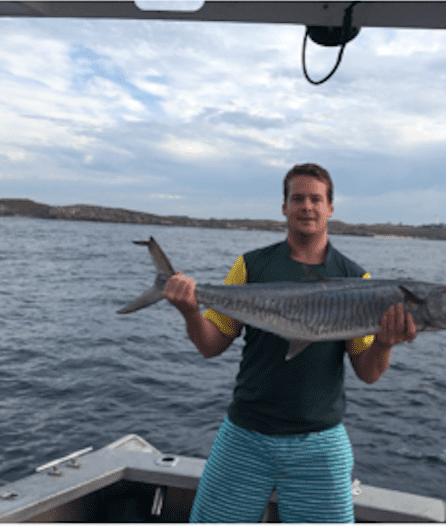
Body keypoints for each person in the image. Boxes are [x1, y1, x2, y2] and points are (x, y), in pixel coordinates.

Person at [163, 163, 417, 523]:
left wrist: (385, 344)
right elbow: (210, 346)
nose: (307, 207)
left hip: (320, 441)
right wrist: (190, 311)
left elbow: (368, 372)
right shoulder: (250, 267)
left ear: (330, 208)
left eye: (316, 199)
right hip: (245, 434)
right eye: (298, 198)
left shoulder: (358, 280)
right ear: (284, 207)